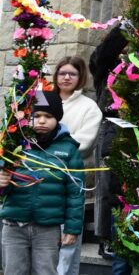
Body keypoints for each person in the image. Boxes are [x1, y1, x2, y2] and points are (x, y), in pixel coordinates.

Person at [0, 91, 85, 275]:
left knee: (46, 271)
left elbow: (76, 193)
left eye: (48, 116)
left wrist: (72, 228)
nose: (41, 121)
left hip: (48, 229)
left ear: (58, 118)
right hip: (14, 226)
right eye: (36, 116)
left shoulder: (69, 150)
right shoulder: (14, 145)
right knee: (13, 271)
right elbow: (3, 188)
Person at [52, 56, 102, 275]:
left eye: (72, 74)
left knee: (67, 243)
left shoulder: (89, 107)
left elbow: (85, 141)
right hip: (40, 178)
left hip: (69, 179)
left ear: (80, 77)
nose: (66, 77)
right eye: (62, 73)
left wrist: (53, 147)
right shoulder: (44, 99)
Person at [90, 25, 128, 260]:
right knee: (107, 184)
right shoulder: (105, 66)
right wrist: (123, 29)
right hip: (112, 125)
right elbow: (102, 54)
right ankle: (106, 237)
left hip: (138, 128)